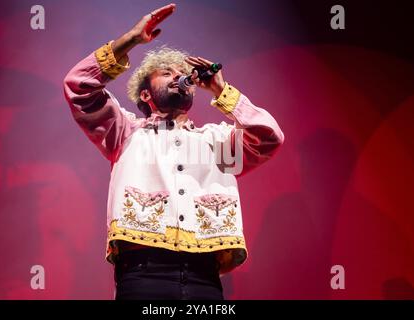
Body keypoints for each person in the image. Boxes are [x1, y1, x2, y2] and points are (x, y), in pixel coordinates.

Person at [63, 3, 284, 300]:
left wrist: (222, 91)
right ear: (145, 94)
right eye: (167, 73)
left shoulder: (219, 141)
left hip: (204, 277)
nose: (179, 77)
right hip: (143, 273)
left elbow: (269, 137)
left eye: (183, 74)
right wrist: (130, 39)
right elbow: (79, 86)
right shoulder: (126, 132)